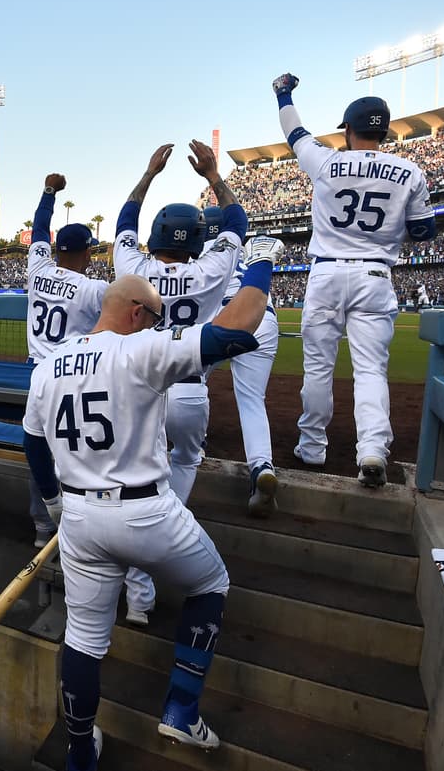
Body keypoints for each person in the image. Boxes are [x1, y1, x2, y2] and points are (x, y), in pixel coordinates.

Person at [23, 236, 284, 769]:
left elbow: (32, 443)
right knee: (211, 584)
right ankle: (182, 710)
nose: (156, 325)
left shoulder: (48, 367)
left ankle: (80, 753)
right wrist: (259, 263)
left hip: (80, 518)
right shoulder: (140, 349)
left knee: (84, 641)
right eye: (154, 317)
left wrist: (52, 503)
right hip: (147, 513)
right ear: (136, 312)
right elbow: (237, 330)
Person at [273, 73, 436, 486]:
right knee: (370, 371)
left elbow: (294, 132)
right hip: (374, 274)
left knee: (318, 368)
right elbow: (424, 231)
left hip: (326, 273)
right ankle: (372, 450)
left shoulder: (325, 160)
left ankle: (312, 446)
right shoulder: (410, 171)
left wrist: (284, 94)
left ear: (348, 128)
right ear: (384, 131)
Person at [112, 142, 247, 624]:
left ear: (157, 236)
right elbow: (237, 223)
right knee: (186, 459)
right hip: (189, 390)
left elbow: (124, 221)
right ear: (195, 242)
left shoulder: (134, 269)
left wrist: (149, 174)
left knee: (133, 478)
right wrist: (213, 176)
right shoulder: (210, 269)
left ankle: (137, 594)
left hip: (138, 391)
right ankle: (165, 526)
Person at [24, 172, 108, 547]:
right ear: (86, 252)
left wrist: (49, 193)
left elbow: (40, 226)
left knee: (39, 451)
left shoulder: (38, 269)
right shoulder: (92, 289)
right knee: (75, 452)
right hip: (70, 377)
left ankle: (43, 527)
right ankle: (75, 529)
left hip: (35, 374)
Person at [205, 206, 281, 517]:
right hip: (263, 319)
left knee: (190, 382)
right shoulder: (244, 249)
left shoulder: (201, 251)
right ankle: (262, 467)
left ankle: (192, 445)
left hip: (222, 318)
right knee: (252, 401)